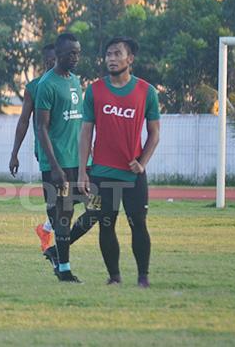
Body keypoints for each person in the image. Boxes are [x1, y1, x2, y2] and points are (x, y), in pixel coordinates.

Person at [77, 36, 160, 288]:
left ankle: (143, 277)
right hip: (101, 173)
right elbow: (86, 132)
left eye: (117, 54)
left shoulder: (147, 92)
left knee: (138, 225)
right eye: (108, 55)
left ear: (129, 59)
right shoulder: (94, 90)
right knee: (105, 225)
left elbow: (154, 133)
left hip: (133, 175)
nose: (111, 59)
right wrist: (83, 171)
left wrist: (142, 162)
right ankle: (114, 277)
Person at [34, 33, 98, 283]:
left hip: (80, 164)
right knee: (63, 216)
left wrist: (86, 160)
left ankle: (54, 251)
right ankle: (64, 269)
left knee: (98, 208)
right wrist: (55, 167)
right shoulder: (46, 85)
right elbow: (41, 128)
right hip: (57, 166)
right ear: (58, 55)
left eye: (78, 52)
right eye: (71, 53)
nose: (76, 57)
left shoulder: (75, 80)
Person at [9, 44, 58, 253]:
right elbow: (23, 121)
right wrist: (14, 154)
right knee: (60, 201)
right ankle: (56, 248)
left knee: (76, 198)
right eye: (52, 61)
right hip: (49, 153)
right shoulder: (35, 87)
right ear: (47, 62)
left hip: (73, 151)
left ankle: (46, 229)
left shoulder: (72, 83)